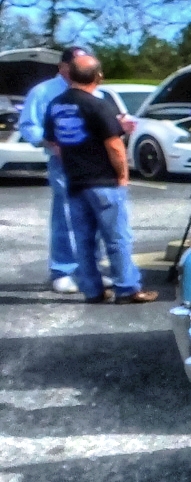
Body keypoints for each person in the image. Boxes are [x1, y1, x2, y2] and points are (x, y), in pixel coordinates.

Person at [42, 54, 156, 304]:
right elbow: (114, 145)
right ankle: (126, 288)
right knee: (116, 238)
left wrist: (74, 161)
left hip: (75, 181)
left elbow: (53, 142)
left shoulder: (56, 105)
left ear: (69, 75)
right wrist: (123, 175)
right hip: (103, 181)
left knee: (83, 240)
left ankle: (92, 290)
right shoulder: (98, 104)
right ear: (98, 76)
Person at [18, 46, 97, 293]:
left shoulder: (95, 89)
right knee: (66, 214)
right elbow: (29, 126)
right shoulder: (43, 92)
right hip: (63, 161)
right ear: (62, 67)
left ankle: (89, 270)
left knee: (93, 215)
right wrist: (48, 141)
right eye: (78, 64)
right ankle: (63, 269)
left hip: (94, 160)